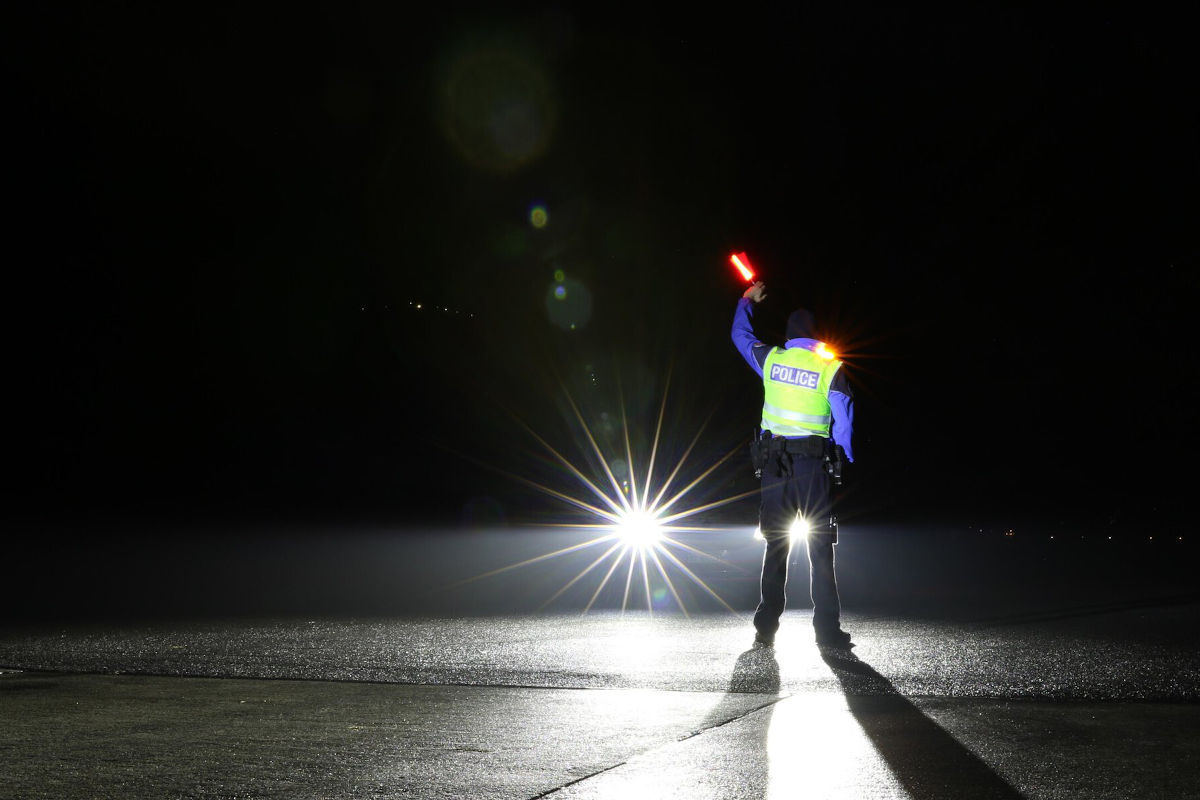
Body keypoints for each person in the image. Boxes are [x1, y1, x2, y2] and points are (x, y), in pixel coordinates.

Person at [731, 280, 855, 649]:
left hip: (775, 466)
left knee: (776, 545)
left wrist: (746, 301)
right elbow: (845, 417)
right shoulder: (830, 367)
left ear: (789, 336)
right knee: (820, 547)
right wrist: (844, 456)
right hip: (813, 467)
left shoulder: (772, 359)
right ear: (817, 337)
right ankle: (827, 630)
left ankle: (766, 625)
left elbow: (740, 336)